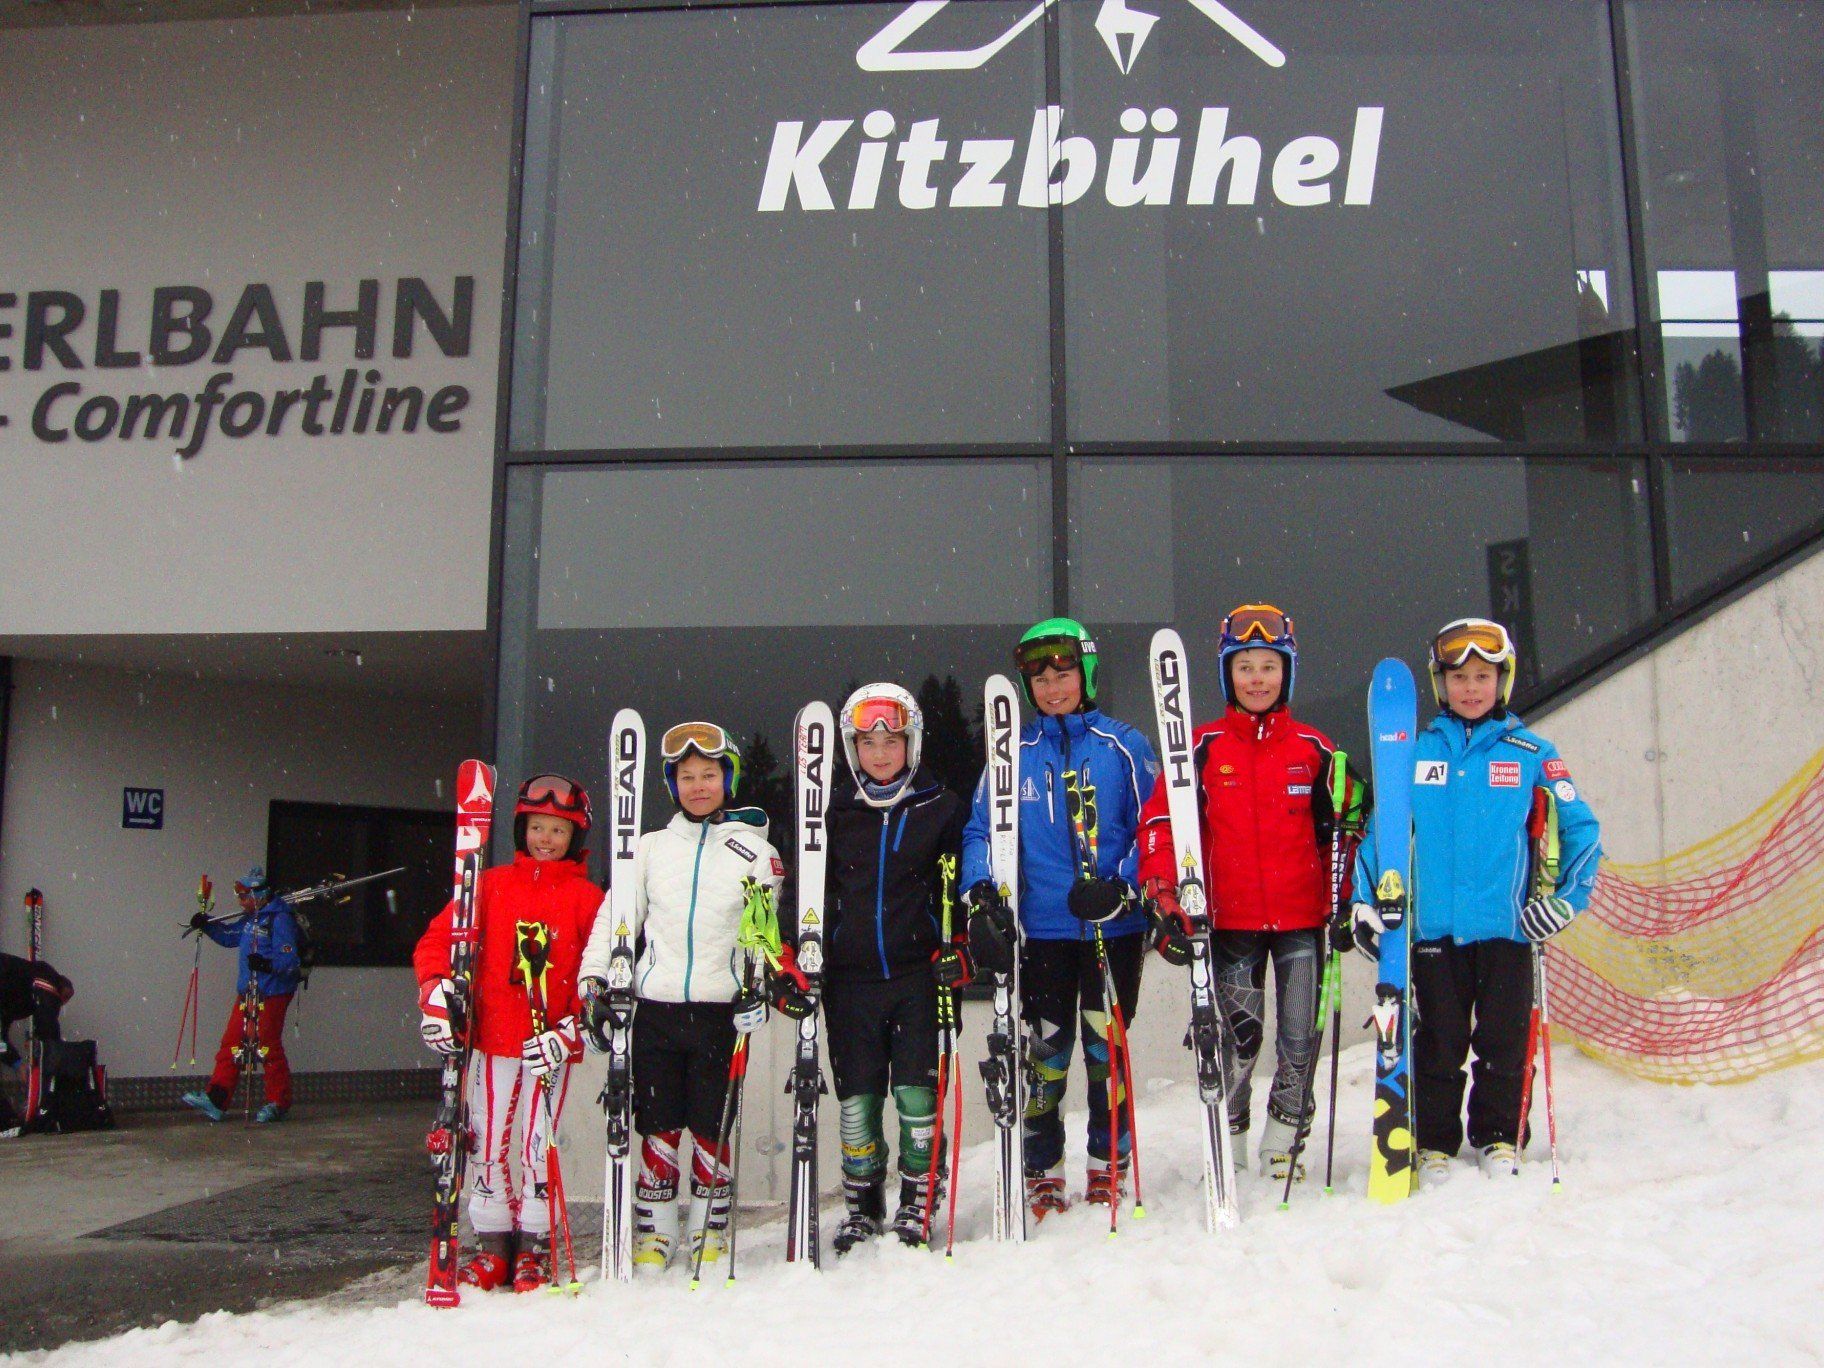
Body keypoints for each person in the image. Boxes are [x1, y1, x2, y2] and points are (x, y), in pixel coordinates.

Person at [1351, 618, 1601, 1179]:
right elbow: (1382, 836)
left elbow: (1583, 829)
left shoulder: (1533, 752)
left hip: (1508, 930)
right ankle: (1435, 1141)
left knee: (1504, 1044)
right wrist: (1364, 902)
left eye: (1482, 677)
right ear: (1441, 685)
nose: (1470, 688)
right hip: (1434, 930)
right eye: (1459, 677)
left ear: (1502, 682)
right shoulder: (1414, 753)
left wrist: (1566, 901)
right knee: (1439, 1041)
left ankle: (1498, 1136)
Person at [1138, 603, 1362, 1182]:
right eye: (1245, 668)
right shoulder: (1202, 746)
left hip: (1299, 919)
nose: (1257, 679)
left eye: (1269, 666)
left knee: (1297, 1036)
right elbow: (1162, 821)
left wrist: (1345, 897)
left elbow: (1341, 835)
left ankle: (1286, 1132)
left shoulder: (1314, 748)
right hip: (1229, 922)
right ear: (1227, 676)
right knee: (1238, 1038)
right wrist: (1164, 893)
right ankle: (1230, 1132)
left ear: (1286, 672)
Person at [960, 617, 1159, 1219]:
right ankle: (1042, 1169)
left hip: (1113, 930)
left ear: (1087, 674)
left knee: (1106, 1056)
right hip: (1043, 933)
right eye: (1041, 679)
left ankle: (1108, 1164)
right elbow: (980, 832)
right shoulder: (1011, 755)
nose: (1052, 687)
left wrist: (1121, 884)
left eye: (1064, 673)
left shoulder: (1124, 745)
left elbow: (1156, 825)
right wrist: (983, 895)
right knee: (1044, 1059)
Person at [577, 722, 784, 1273]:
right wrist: (594, 980)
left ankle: (709, 1230)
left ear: (727, 779)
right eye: (687, 777)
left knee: (711, 1125)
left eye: (709, 775)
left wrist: (755, 986)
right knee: (659, 1122)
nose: (698, 786)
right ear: (673, 784)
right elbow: (615, 919)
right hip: (657, 1012)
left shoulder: (753, 853)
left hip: (719, 1014)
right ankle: (655, 1231)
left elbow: (761, 933)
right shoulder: (648, 850)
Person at [773, 683, 969, 1252]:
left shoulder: (941, 807)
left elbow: (959, 887)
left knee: (915, 1096)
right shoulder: (831, 812)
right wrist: (792, 953)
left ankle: (919, 1198)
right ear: (850, 747)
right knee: (857, 1099)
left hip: (916, 976)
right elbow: (804, 894)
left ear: (913, 742)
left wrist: (960, 948)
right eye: (866, 742)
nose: (880, 753)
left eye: (892, 740)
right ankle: (862, 1204)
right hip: (851, 981)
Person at [414, 774, 601, 1292]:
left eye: (559, 830)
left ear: (575, 838)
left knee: (538, 1146)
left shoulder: (588, 900)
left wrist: (572, 1031)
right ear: (522, 829)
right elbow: (437, 941)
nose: (546, 838)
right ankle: (493, 1244)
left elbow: (603, 975)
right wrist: (435, 992)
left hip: (548, 1049)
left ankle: (534, 1248)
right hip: (493, 1040)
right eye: (537, 827)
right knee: (488, 1144)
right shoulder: (491, 885)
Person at [182, 868, 303, 1124]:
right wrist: (208, 924)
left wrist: (267, 965)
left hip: (272, 992)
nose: (241, 902)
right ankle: (217, 1099)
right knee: (232, 1043)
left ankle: (278, 1102)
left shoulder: (279, 919)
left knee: (266, 1045)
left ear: (259, 894)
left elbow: (290, 960)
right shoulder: (251, 919)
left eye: (244, 896)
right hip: (247, 991)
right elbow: (229, 937)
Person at [0, 950, 73, 1137]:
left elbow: (1, 1037)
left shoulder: (16, 990)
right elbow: (47, 1023)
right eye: (63, 999)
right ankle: (7, 1122)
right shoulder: (46, 979)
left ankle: (7, 1122)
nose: (61, 1005)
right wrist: (49, 1063)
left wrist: (18, 1063)